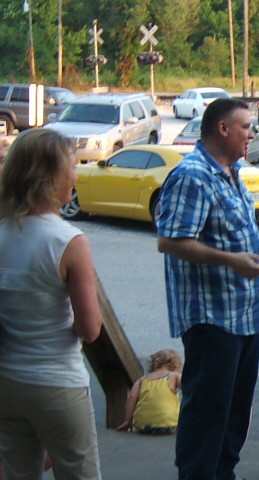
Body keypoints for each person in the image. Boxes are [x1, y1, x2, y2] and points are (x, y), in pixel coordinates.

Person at [157, 98, 259, 480]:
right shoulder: (192, 175)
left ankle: (223, 474)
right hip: (211, 320)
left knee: (235, 414)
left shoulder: (232, 171)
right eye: (245, 127)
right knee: (207, 413)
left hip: (245, 316)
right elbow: (171, 241)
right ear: (223, 129)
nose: (251, 134)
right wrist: (231, 260)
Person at [0, 129, 103, 479]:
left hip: (8, 381)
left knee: (18, 472)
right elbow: (90, 329)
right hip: (58, 383)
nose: (76, 172)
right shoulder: (68, 240)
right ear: (49, 176)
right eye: (72, 164)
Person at [116, 349, 182, 435]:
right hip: (169, 424)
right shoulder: (174, 376)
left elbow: (131, 397)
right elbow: (190, 388)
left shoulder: (142, 380)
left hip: (144, 426)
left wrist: (128, 420)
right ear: (176, 365)